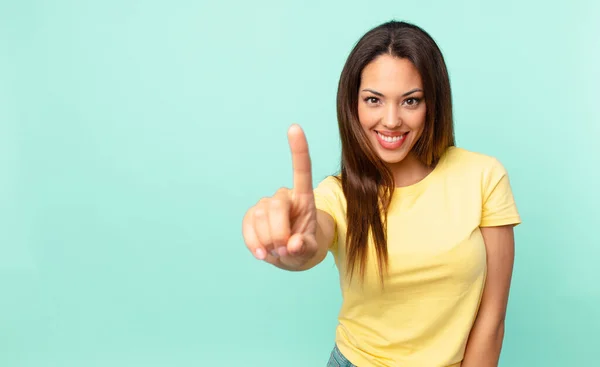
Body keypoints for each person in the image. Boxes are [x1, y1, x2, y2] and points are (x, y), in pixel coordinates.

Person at [242, 20, 521, 367]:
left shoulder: (483, 176)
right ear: (353, 104)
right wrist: (289, 243)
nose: (391, 120)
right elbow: (310, 241)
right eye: (374, 99)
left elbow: (491, 320)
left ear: (432, 104)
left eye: (410, 101)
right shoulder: (337, 195)